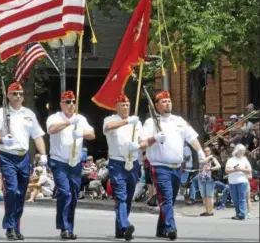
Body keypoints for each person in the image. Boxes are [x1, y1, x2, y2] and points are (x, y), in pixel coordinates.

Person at [140, 91, 206, 241]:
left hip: (177, 166)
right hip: (159, 166)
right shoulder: (151, 123)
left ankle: (160, 229)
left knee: (169, 199)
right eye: (163, 101)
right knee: (167, 198)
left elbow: (192, 137)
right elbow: (142, 144)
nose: (167, 103)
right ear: (156, 105)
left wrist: (200, 151)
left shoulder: (179, 121)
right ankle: (171, 228)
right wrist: (154, 138)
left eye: (169, 101)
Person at [0, 81, 47, 241]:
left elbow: (38, 136)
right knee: (12, 191)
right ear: (8, 95)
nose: (18, 96)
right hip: (7, 156)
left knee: (21, 194)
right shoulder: (0, 113)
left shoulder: (29, 114)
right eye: (15, 93)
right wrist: (2, 139)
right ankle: (10, 227)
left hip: (23, 157)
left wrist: (43, 155)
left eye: (20, 94)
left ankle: (15, 226)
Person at [47, 90, 95, 240]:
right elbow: (51, 130)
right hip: (59, 162)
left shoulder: (80, 118)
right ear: (61, 104)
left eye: (73, 101)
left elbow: (92, 134)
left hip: (75, 163)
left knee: (73, 195)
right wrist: (68, 122)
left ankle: (68, 227)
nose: (71, 104)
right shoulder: (54, 117)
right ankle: (65, 228)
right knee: (65, 192)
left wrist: (80, 133)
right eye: (68, 102)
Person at [103, 94, 141, 241]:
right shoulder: (111, 119)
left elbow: (143, 141)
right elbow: (108, 127)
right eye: (123, 104)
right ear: (116, 106)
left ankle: (120, 229)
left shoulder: (137, 122)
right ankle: (125, 225)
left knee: (129, 197)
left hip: (133, 162)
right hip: (117, 163)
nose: (126, 107)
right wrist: (126, 122)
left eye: (128, 104)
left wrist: (138, 146)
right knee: (120, 196)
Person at [225, 144, 252, 220]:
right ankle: (238, 213)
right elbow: (227, 170)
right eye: (241, 151)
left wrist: (240, 169)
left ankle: (242, 214)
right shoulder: (231, 160)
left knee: (242, 199)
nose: (242, 152)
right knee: (235, 199)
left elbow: (249, 170)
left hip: (242, 182)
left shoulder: (245, 160)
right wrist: (235, 170)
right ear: (237, 151)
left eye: (243, 151)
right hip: (232, 182)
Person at [198, 147, 221, 216]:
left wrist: (211, 168)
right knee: (203, 196)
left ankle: (210, 211)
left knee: (209, 196)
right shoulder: (202, 158)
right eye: (205, 151)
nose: (206, 152)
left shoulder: (213, 158)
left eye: (208, 151)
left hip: (209, 179)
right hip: (201, 179)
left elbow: (218, 166)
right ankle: (206, 210)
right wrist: (209, 157)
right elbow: (202, 162)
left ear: (210, 151)